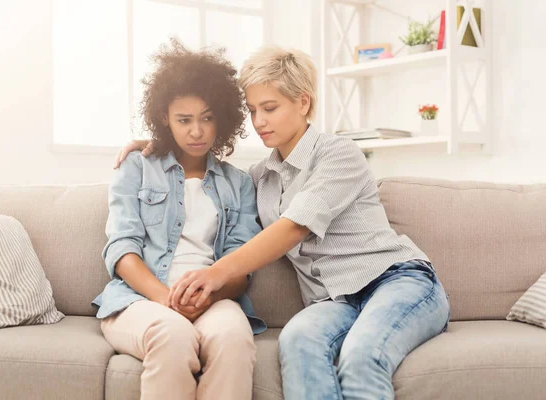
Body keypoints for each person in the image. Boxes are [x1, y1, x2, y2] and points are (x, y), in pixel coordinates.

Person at [115, 45, 450, 400]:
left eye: (270, 109)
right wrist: (162, 142)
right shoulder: (260, 177)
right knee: (296, 342)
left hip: (396, 282)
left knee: (361, 357)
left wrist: (214, 275)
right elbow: (208, 177)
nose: (259, 121)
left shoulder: (338, 153)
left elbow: (293, 227)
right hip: (333, 303)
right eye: (254, 110)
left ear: (303, 103)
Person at [93, 39, 266, 400]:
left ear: (222, 116)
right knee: (173, 335)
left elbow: (241, 264)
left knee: (234, 338)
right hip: (140, 300)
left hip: (213, 300)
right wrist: (166, 298)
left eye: (206, 118)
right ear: (165, 120)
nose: (197, 131)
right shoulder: (137, 167)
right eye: (183, 120)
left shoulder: (239, 184)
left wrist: (207, 295)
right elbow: (122, 248)